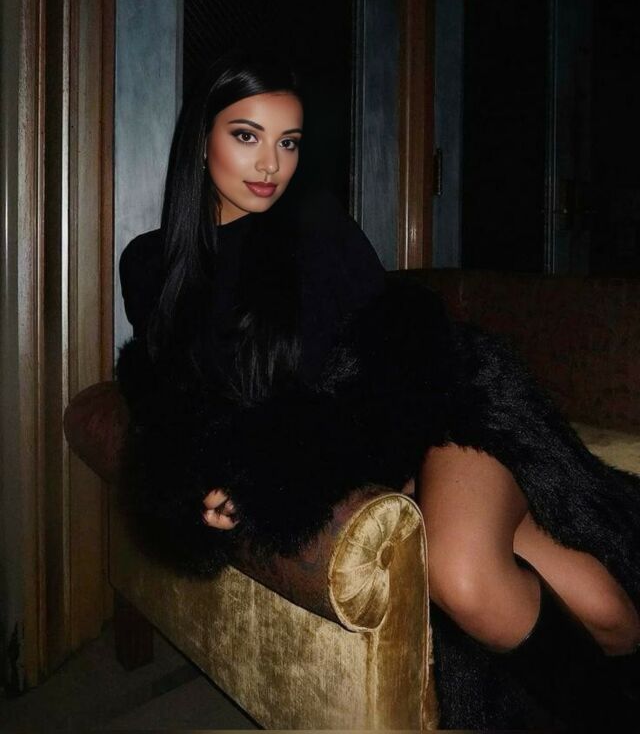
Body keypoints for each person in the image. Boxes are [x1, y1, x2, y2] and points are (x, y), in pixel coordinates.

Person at [117, 50, 640, 729]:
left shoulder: (313, 225)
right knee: (570, 606)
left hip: (445, 413)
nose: (271, 164)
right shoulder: (150, 265)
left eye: (288, 142)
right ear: (201, 139)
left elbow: (401, 360)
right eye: (247, 135)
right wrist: (198, 486)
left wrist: (274, 472)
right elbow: (171, 406)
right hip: (351, 461)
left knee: (566, 604)